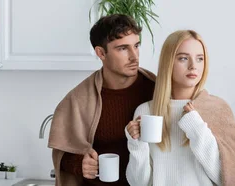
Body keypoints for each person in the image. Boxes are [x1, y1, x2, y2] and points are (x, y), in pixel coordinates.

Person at [125, 30, 235, 186]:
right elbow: (138, 183)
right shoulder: (145, 112)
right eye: (183, 58)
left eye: (200, 59)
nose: (193, 66)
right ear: (168, 62)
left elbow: (226, 178)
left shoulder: (217, 109)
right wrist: (136, 144)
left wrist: (196, 127)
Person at [47, 14, 156, 186]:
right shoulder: (78, 99)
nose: (134, 56)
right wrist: (80, 164)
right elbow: (62, 153)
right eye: (122, 49)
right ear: (101, 53)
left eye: (136, 45)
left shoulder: (156, 89)